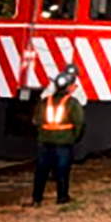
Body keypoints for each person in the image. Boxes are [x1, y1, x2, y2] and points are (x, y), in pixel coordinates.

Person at [32, 64, 84, 206]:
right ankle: (62, 197)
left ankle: (37, 198)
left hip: (45, 142)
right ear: (68, 87)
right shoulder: (72, 103)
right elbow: (79, 123)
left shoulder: (45, 102)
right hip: (63, 142)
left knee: (41, 170)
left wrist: (43, 135)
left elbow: (37, 120)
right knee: (62, 170)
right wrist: (73, 138)